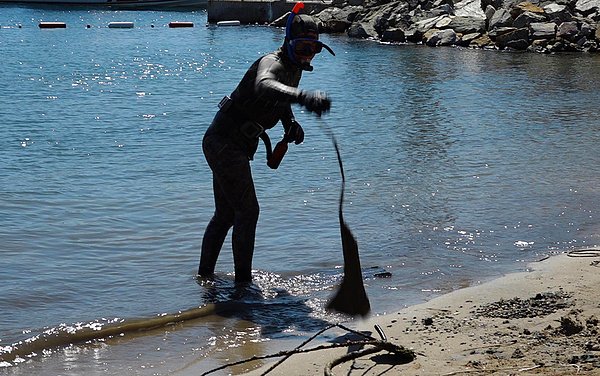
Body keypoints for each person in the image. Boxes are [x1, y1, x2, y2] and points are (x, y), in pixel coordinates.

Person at [198, 8, 335, 284]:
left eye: (315, 49)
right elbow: (264, 86)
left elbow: (280, 100)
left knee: (226, 214)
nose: (308, 54)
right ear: (288, 42)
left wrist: (290, 123)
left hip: (232, 143)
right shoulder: (272, 63)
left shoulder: (295, 68)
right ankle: (243, 285)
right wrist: (303, 97)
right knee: (247, 211)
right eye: (304, 47)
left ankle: (205, 278)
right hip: (225, 142)